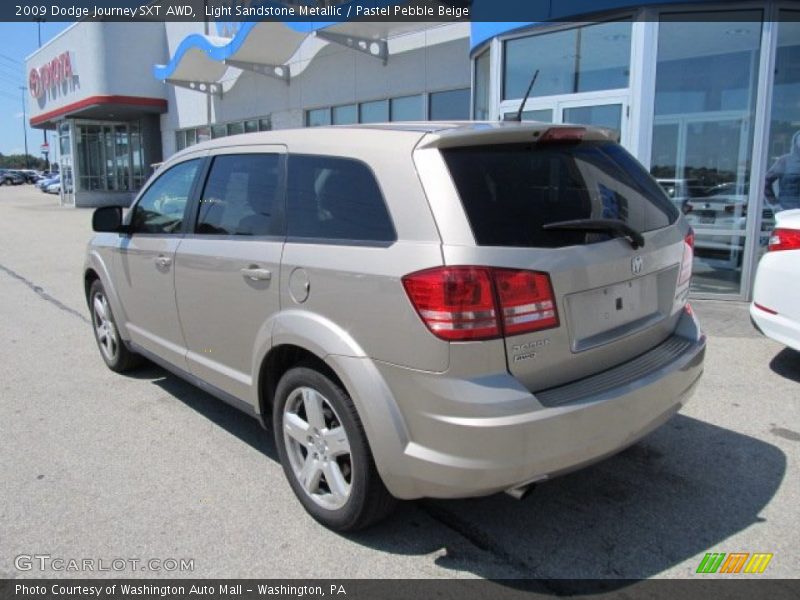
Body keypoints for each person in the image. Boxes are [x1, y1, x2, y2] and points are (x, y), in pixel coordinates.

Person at [765, 130, 800, 211]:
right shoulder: (785, 161)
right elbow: (766, 182)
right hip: (787, 210)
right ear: (796, 143)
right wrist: (774, 204)